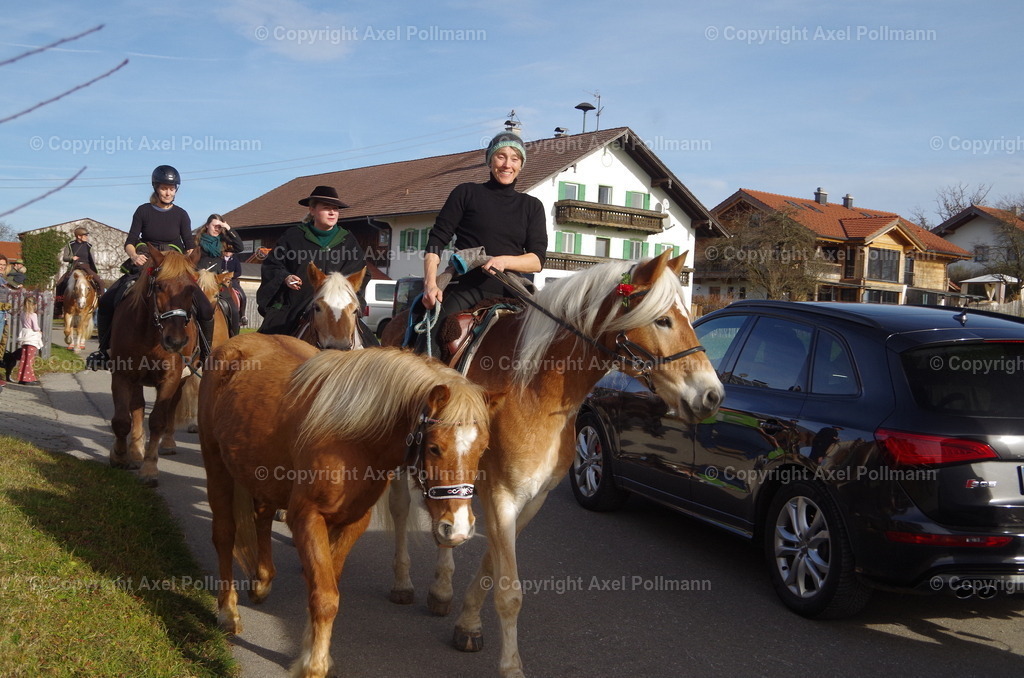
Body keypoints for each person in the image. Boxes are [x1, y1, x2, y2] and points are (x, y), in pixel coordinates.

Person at [417, 131, 547, 353]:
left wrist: (503, 261)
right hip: (467, 287)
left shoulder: (532, 206)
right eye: (501, 156)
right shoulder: (466, 193)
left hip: (511, 290)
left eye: (515, 158)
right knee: (435, 338)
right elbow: (436, 242)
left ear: (521, 165)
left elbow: (537, 260)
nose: (507, 164)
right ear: (490, 160)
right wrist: (430, 284)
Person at [87, 165, 214, 370]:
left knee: (206, 308)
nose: (168, 192)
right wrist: (135, 255)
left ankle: (207, 354)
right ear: (156, 188)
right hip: (147, 262)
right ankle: (105, 351)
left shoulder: (181, 214)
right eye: (164, 188)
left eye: (172, 188)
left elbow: (189, 245)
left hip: (173, 267)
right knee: (109, 299)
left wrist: (189, 263)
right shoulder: (143, 211)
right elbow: (130, 240)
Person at [256, 185, 368, 337]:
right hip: (296, 304)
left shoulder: (348, 240)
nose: (332, 212)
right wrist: (285, 277)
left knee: (369, 342)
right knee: (269, 342)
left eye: (335, 209)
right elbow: (272, 265)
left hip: (336, 307)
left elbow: (361, 273)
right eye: (327, 208)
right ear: (312, 210)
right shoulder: (293, 236)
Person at [194, 214, 243, 334]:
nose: (217, 229)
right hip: (198, 280)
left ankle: (233, 337)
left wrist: (228, 228)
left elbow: (240, 247)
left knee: (233, 308)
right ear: (207, 226)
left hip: (217, 281)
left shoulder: (223, 242)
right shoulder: (196, 241)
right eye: (214, 226)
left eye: (219, 227)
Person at [56, 226, 105, 295]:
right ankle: (58, 302)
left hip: (86, 267)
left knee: (100, 282)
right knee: (59, 284)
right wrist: (71, 258)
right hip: (74, 266)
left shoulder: (89, 246)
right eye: (85, 235)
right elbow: (65, 258)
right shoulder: (70, 245)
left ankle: (102, 301)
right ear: (79, 236)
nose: (87, 237)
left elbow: (93, 260)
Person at [14, 296, 44, 386]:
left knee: (24, 357)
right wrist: (39, 330)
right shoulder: (33, 315)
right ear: (34, 305)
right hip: (32, 336)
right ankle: (28, 378)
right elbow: (35, 327)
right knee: (30, 359)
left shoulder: (23, 314)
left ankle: (22, 377)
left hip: (24, 335)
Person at [222, 244, 248, 325]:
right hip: (221, 280)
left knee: (243, 296)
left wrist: (231, 275)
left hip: (232, 280)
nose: (227, 253)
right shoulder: (220, 259)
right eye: (226, 251)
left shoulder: (235, 260)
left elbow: (239, 272)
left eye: (229, 252)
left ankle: (242, 315)